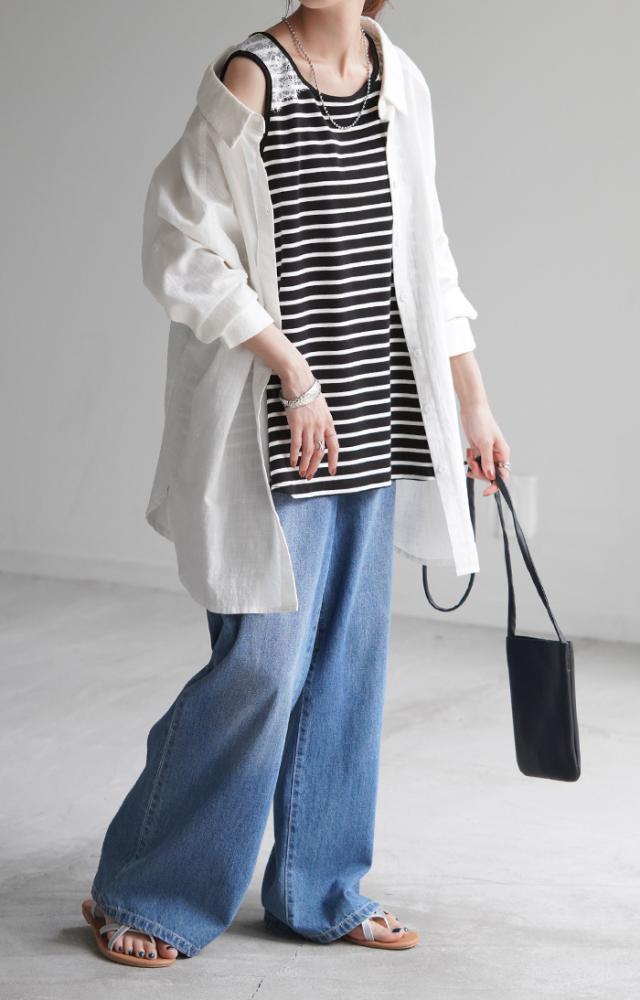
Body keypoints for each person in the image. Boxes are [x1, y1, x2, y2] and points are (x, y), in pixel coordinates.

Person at [82, 0, 510, 967]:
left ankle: (322, 890)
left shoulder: (401, 81)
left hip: (378, 416)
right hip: (279, 428)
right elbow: (181, 242)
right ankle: (144, 887)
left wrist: (474, 403)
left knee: (348, 666)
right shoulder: (251, 78)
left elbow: (428, 256)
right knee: (262, 667)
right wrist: (292, 370)